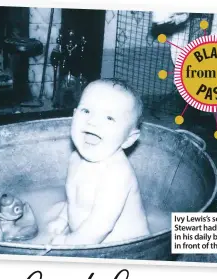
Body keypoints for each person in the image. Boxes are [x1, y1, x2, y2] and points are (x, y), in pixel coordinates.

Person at [46, 78, 150, 245]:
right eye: (86, 111)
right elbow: (74, 199)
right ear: (74, 115)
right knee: (51, 211)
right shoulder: (75, 158)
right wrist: (62, 219)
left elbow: (100, 227)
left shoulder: (116, 174)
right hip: (84, 238)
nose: (92, 121)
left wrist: (67, 243)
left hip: (124, 250)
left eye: (109, 118)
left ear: (129, 139)